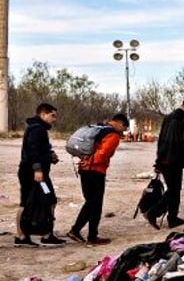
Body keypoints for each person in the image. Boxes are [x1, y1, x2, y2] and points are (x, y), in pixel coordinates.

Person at [67, 114, 127, 246]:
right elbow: (103, 153)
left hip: (84, 169)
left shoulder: (99, 128)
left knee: (90, 202)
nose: (123, 131)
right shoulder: (113, 134)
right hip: (96, 171)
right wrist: (90, 162)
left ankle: (78, 231)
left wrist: (85, 161)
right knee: (95, 205)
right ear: (120, 123)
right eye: (124, 128)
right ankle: (89, 236)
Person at [15, 102, 64, 247]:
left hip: (36, 172)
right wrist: (37, 169)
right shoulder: (37, 129)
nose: (54, 119)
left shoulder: (37, 128)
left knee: (44, 200)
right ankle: (26, 236)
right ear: (43, 114)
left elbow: (40, 149)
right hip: (34, 174)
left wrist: (50, 156)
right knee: (45, 200)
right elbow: (33, 150)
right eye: (52, 115)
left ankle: (40, 234)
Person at [148, 96, 184, 229]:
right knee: (174, 189)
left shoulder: (168, 117)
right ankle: (153, 212)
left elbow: (161, 140)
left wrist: (158, 161)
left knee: (173, 189)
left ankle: (172, 218)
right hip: (175, 159)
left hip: (164, 159)